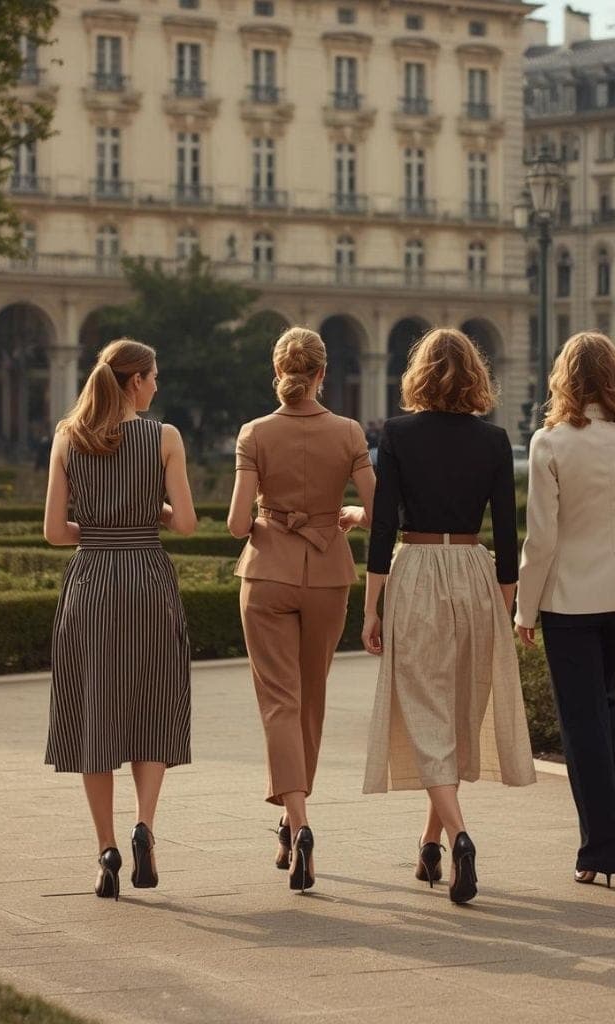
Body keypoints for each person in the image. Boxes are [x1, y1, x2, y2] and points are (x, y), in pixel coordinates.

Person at [361, 328, 536, 905]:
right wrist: (505, 604)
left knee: (424, 711)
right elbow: (510, 535)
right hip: (474, 571)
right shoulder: (494, 440)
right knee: (458, 710)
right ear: (476, 376)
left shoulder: (401, 434)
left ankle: (458, 837)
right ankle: (430, 843)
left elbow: (382, 526)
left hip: (416, 570)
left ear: (418, 375)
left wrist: (371, 607)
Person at [43, 338, 197, 900]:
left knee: (94, 710)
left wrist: (103, 528)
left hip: (92, 582)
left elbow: (56, 533)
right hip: (148, 580)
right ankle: (144, 828)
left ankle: (106, 847)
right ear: (136, 382)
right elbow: (185, 525)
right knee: (152, 701)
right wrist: (142, 514)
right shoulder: (164, 437)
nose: (157, 384)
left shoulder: (68, 436)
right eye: (154, 376)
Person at [227, 326, 376, 893]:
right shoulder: (349, 432)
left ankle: (298, 823)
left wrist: (269, 512)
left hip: (266, 573)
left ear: (278, 371)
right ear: (322, 374)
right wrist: (352, 516)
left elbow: (240, 524)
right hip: (328, 576)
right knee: (310, 698)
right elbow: (379, 507)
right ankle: (295, 819)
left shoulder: (255, 433)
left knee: (279, 705)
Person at [516, 330, 615, 890]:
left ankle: (601, 849)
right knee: (605, 706)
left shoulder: (550, 443)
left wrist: (524, 610)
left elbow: (542, 541)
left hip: (570, 602)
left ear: (565, 379)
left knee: (582, 724)